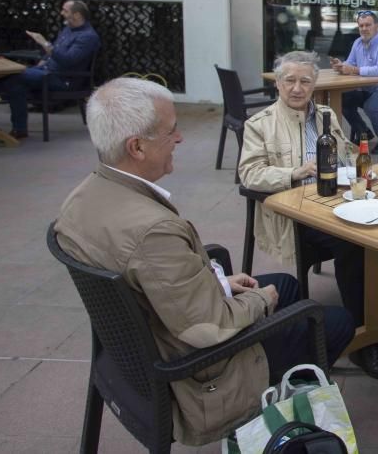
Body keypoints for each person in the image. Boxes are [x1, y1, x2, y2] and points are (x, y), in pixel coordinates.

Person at [53, 77, 354, 447]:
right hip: (199, 370)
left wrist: (222, 283)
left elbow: (153, 281)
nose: (179, 138)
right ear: (137, 147)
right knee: (331, 319)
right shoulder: (153, 232)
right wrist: (261, 300)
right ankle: (272, 422)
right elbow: (208, 327)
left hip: (142, 339)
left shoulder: (82, 197)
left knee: (289, 285)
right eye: (170, 132)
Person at [239, 50, 378, 380]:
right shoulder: (261, 125)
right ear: (278, 84)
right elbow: (249, 174)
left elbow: (348, 154)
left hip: (340, 201)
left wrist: (373, 162)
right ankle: (362, 338)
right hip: (298, 214)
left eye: (304, 81)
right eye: (289, 81)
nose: (297, 88)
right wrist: (295, 172)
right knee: (355, 243)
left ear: (315, 84)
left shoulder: (326, 114)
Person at [0, 0, 100, 139]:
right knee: (15, 83)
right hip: (48, 72)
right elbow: (55, 54)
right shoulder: (68, 29)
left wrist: (45, 43)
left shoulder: (88, 37)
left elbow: (68, 61)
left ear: (77, 15)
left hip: (64, 80)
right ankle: (19, 130)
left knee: (16, 76)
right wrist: (43, 61)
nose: (61, 13)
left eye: (65, 11)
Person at [329, 9, 378, 150]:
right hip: (369, 87)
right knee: (343, 100)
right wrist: (340, 65)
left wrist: (354, 70)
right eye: (361, 26)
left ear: (376, 26)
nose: (364, 29)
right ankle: (363, 132)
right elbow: (350, 63)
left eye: (368, 25)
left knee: (371, 106)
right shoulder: (358, 42)